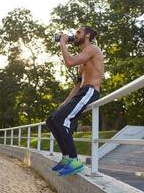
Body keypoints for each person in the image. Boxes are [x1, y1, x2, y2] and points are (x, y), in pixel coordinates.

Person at [46, 26, 104, 176]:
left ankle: (75, 161)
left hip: (90, 91)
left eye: (78, 32)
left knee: (60, 119)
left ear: (87, 35)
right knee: (51, 120)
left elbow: (69, 62)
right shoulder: (83, 56)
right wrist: (65, 102)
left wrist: (63, 43)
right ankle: (66, 158)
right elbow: (78, 85)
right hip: (82, 92)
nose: (75, 35)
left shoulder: (93, 49)